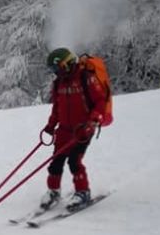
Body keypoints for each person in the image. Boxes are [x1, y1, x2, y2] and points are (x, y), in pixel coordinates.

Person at [40, 48, 109, 211]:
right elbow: (57, 107)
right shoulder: (59, 83)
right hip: (64, 129)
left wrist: (93, 120)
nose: (57, 73)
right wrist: (50, 126)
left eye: (59, 69)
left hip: (83, 128)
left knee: (74, 161)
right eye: (54, 70)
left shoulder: (86, 79)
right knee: (56, 162)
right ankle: (54, 191)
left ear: (69, 64)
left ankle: (83, 192)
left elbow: (100, 102)